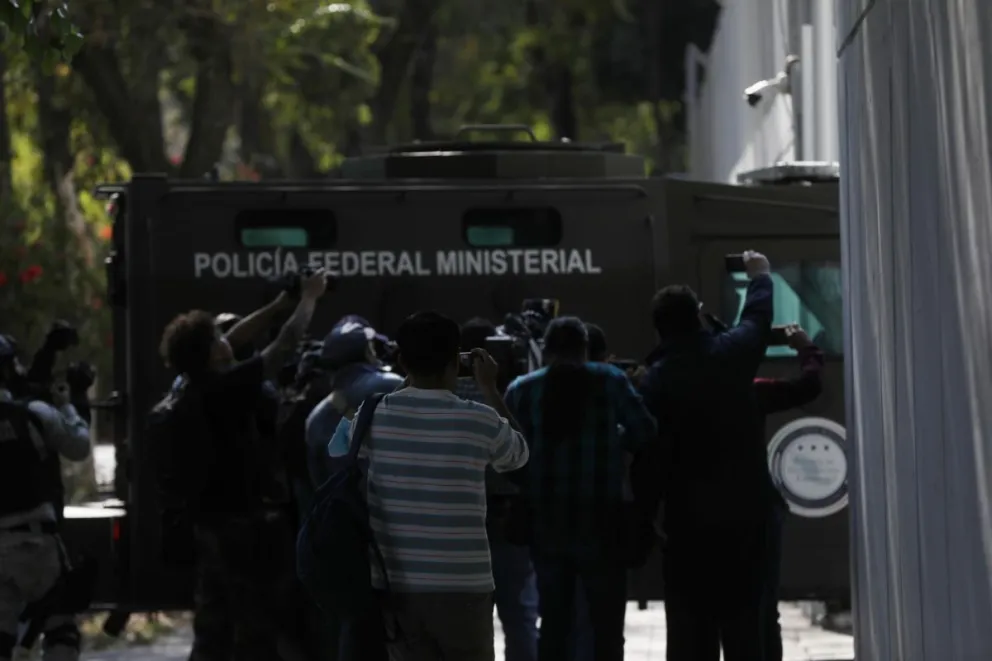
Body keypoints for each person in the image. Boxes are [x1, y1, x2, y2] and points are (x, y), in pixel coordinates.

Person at [334, 311, 529, 661]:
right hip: (465, 585)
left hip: (396, 584)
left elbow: (337, 446)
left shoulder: (373, 414)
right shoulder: (480, 419)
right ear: (458, 361)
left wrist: (402, 389)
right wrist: (490, 389)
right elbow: (519, 456)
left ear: (401, 360)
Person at [158, 268, 328, 661]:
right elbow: (282, 347)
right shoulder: (226, 391)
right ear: (209, 354)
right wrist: (309, 299)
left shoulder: (187, 387)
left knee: (212, 625)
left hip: (209, 527)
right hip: (245, 530)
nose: (225, 341)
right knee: (257, 626)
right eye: (216, 340)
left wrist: (277, 304)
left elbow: (230, 341)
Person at [639, 250, 774, 661]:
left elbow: (651, 455)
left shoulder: (655, 381)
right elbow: (756, 320)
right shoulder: (732, 355)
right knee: (744, 623)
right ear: (697, 317)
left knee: (689, 629)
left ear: (659, 329)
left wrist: (647, 514)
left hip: (687, 523)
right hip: (745, 515)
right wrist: (760, 277)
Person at [504, 317, 657, 661]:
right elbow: (645, 433)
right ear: (585, 349)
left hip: (547, 525)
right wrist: (614, 442)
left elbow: (508, 457)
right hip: (602, 524)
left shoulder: (522, 389)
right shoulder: (611, 381)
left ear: (546, 351)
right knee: (606, 627)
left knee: (554, 625)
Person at [0, 334, 92, 661]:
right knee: (61, 631)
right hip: (40, 547)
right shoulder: (34, 414)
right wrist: (68, 404)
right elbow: (79, 447)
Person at [457, 317, 539, 661]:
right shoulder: (509, 394)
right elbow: (525, 453)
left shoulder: (446, 399)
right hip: (506, 518)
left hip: (459, 523)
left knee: (463, 624)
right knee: (519, 615)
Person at [752, 325, 824, 661]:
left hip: (698, 514)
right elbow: (808, 385)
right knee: (763, 610)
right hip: (755, 511)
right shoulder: (750, 391)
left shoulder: (675, 384)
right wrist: (806, 348)